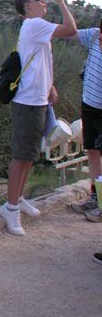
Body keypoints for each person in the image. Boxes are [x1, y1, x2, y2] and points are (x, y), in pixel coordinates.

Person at [0, 0, 77, 236]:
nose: (43, 1)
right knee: (21, 155)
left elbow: (40, 60)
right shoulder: (34, 25)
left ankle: (18, 198)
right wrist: (61, 1)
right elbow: (71, 30)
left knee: (30, 154)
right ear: (27, 6)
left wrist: (50, 85)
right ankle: (10, 208)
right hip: (28, 102)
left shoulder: (35, 27)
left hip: (37, 100)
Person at [68, 22, 102, 221]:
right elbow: (70, 33)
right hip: (89, 106)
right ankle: (96, 197)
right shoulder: (94, 35)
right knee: (92, 152)